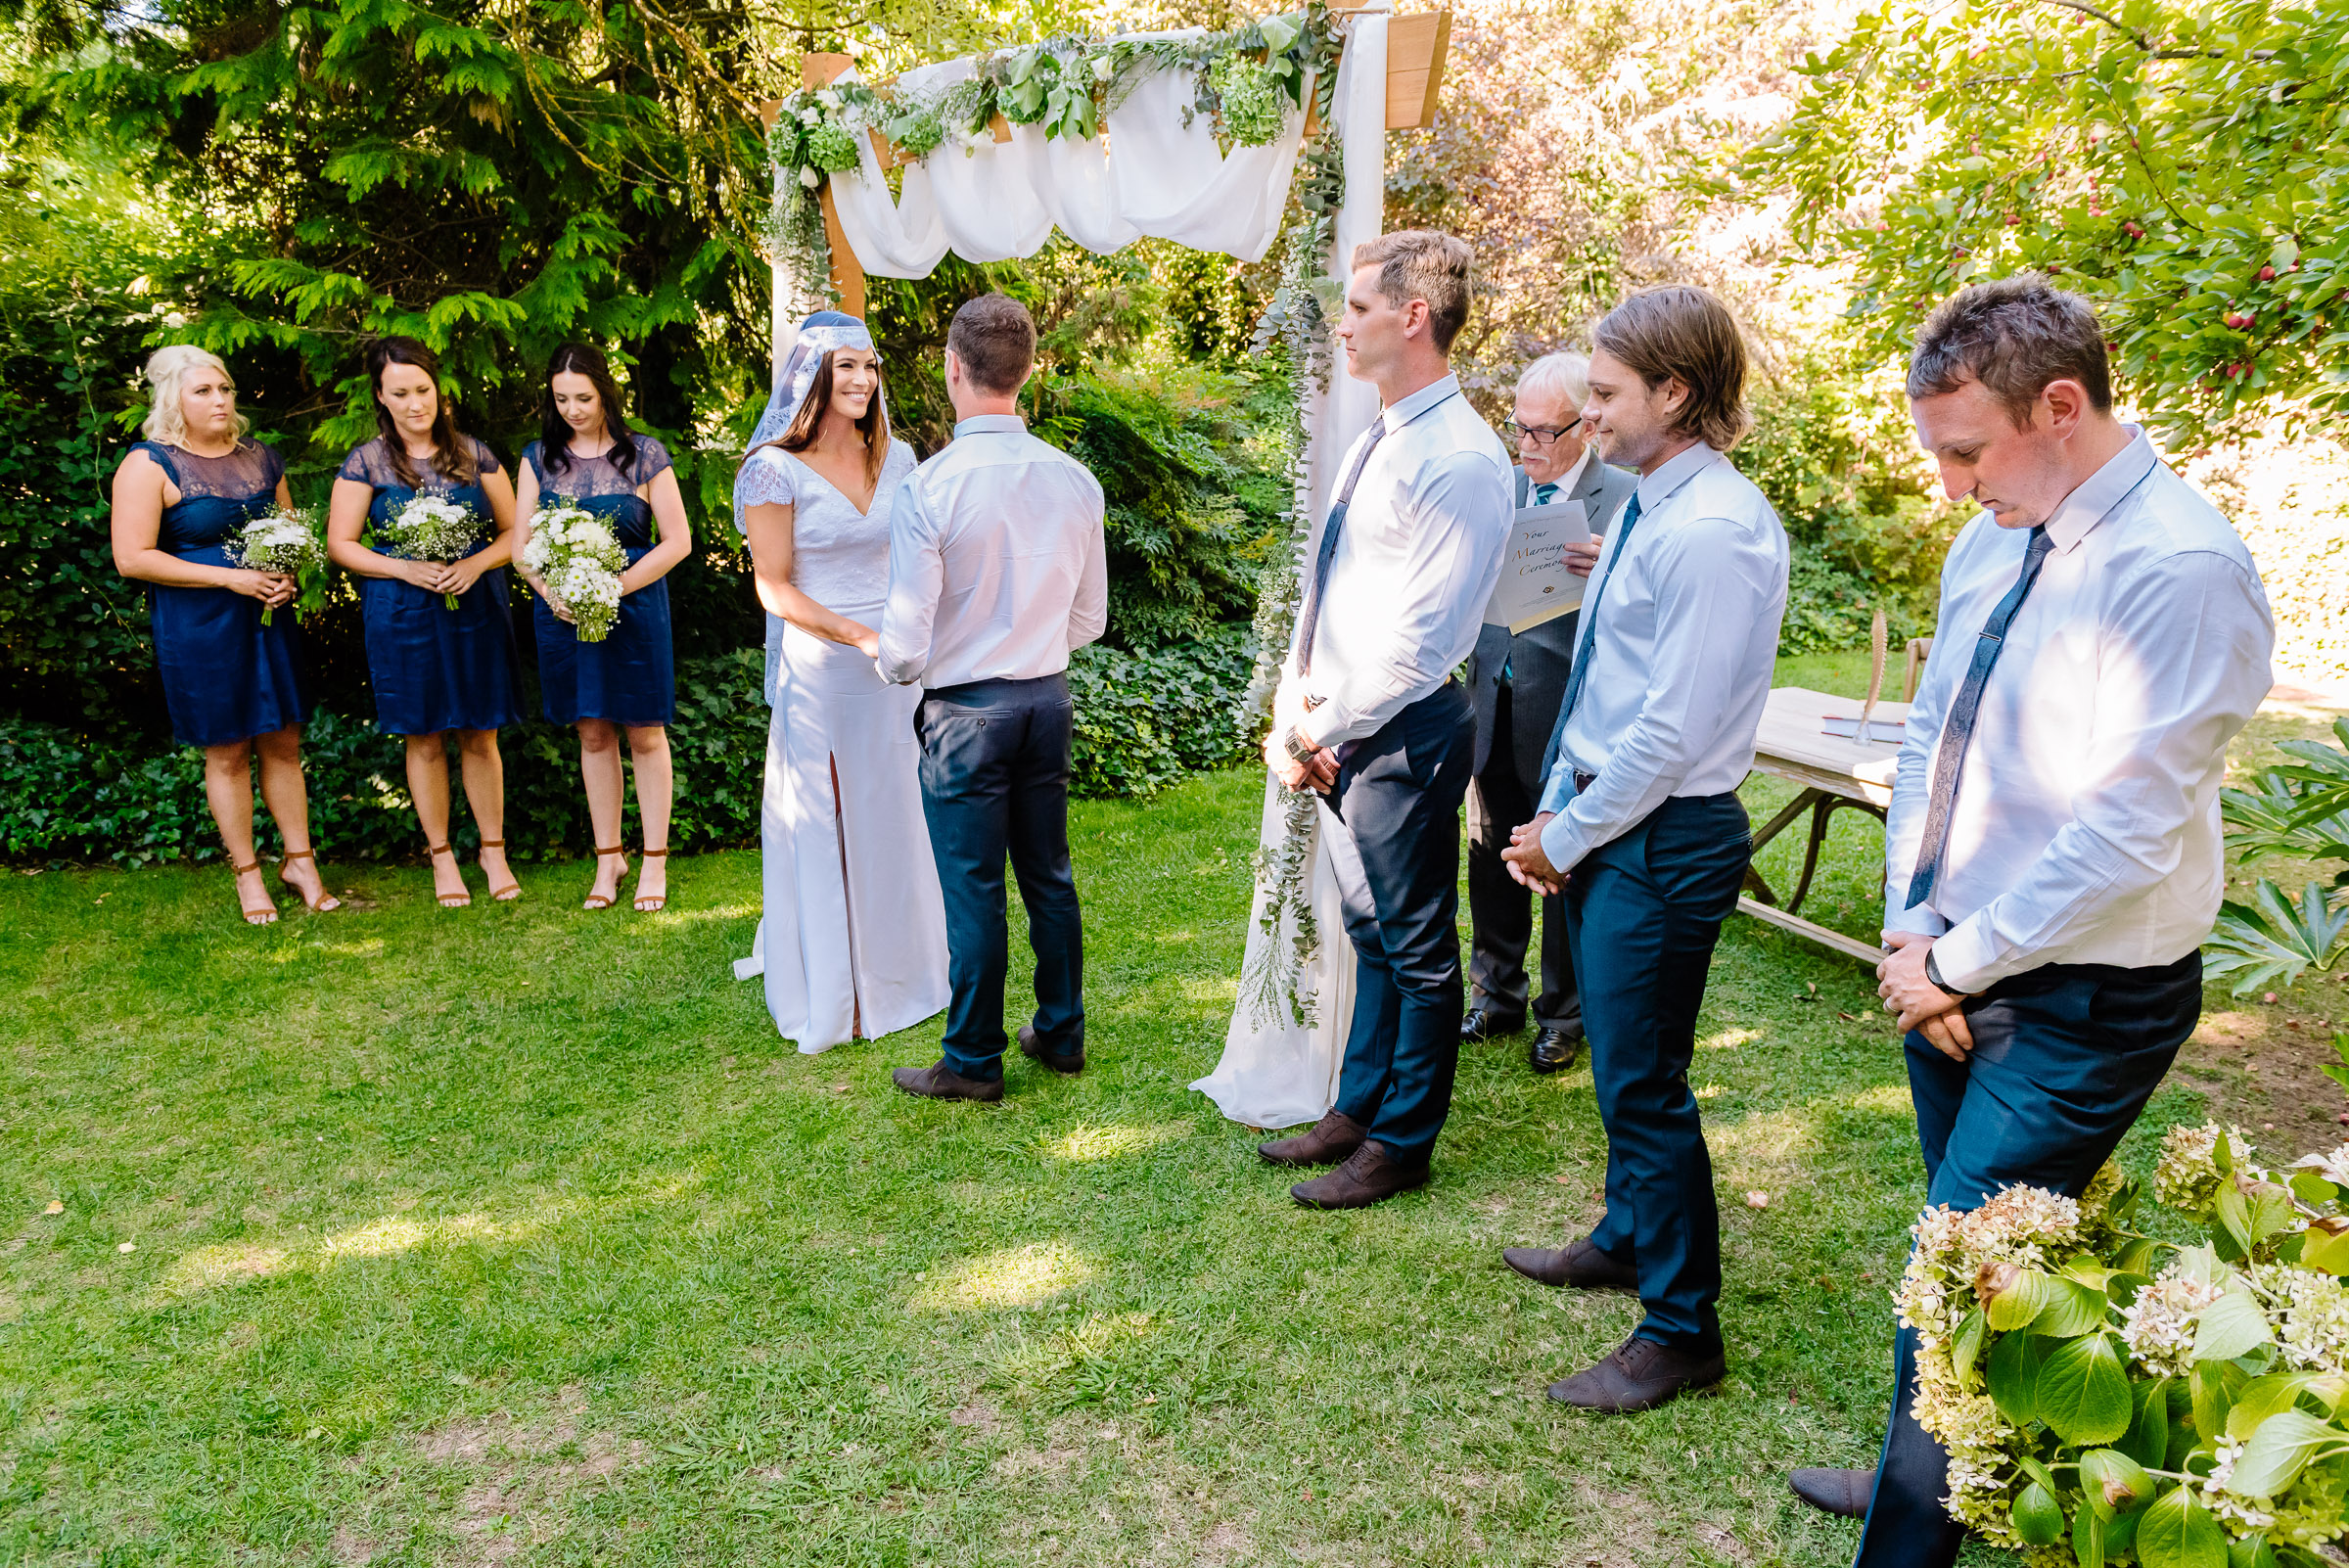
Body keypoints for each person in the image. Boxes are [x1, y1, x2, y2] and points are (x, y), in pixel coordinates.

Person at [1784, 277, 2275, 1561]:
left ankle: (1912, 1525)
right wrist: (1914, 928)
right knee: (1966, 1270)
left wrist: (1953, 961)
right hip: (1952, 958)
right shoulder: (1991, 536)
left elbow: (2124, 831)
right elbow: (1936, 741)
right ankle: (1943, 1474)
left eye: (1965, 450)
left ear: (2062, 404)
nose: (1947, 484)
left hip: (2081, 1001)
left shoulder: (2184, 571)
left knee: (1952, 1283)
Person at [1498, 285, 1788, 1411]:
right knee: (1628, 1073)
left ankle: (1680, 1329)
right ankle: (1626, 1235)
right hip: (1620, 819)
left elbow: (1666, 734)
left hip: (1662, 835)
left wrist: (1560, 834)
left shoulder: (1712, 533)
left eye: (1608, 395)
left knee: (1644, 1080)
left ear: (1675, 393)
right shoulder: (1649, 507)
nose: (1594, 413)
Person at [1253, 230, 1513, 1208]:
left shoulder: (1462, 461)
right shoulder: (1385, 430)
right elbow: (1332, 587)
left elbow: (1420, 642)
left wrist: (1324, 729)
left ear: (1412, 317)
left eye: (1358, 307)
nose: (1343, 322)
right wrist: (1295, 705)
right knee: (1368, 932)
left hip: (1401, 731)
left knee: (1415, 947)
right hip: (1343, 723)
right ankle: (1359, 1105)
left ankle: (1404, 1139)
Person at [873, 294, 1106, 1103]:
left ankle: (972, 1059)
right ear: (1030, 369)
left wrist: (903, 666)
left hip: (967, 712)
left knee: (972, 885)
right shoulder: (1076, 481)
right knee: (1048, 872)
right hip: (1047, 700)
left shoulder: (929, 488)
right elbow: (1091, 618)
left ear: (952, 367)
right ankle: (1061, 1031)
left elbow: (903, 648)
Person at [731, 309, 949, 1054]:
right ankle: (840, 991)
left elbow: (919, 559)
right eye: (845, 365)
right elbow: (774, 587)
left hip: (895, 673)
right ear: (812, 375)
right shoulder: (772, 468)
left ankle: (911, 975)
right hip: (822, 670)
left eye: (869, 366)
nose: (862, 380)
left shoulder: (901, 457)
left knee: (896, 814)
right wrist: (859, 635)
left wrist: (915, 632)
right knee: (827, 820)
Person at [109, 346, 341, 926]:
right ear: (173, 400)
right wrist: (230, 578)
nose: (219, 400)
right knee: (229, 749)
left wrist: (288, 575)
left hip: (266, 619)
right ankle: (247, 874)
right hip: (200, 628)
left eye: (225, 390)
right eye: (203, 391)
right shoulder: (149, 464)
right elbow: (132, 558)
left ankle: (301, 863)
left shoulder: (261, 458)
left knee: (285, 741)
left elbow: (290, 534)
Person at [1462, 351, 1637, 1073]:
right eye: (1519, 430)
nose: (1526, 446)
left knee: (1563, 856)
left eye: (1542, 432)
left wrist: (1614, 570)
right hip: (1488, 701)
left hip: (1570, 715)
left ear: (1584, 427)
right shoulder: (1497, 489)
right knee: (1489, 852)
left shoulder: (1626, 497)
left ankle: (1564, 1014)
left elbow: (1651, 610)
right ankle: (1496, 993)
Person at [327, 336, 525, 908]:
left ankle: (493, 850)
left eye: (423, 390)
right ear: (381, 398)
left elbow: (515, 533)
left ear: (438, 389)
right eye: (401, 394)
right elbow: (341, 544)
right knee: (425, 735)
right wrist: (403, 568)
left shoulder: (475, 454)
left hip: (475, 604)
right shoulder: (365, 462)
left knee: (480, 733)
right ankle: (441, 856)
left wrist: (475, 562)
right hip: (403, 611)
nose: (416, 404)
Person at [513, 343, 691, 912]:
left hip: (634, 611)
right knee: (592, 733)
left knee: (644, 732)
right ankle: (608, 856)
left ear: (605, 392)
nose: (572, 408)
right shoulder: (539, 458)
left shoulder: (644, 455)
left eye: (583, 397)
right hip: (563, 614)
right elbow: (520, 549)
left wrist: (613, 587)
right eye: (561, 398)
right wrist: (554, 592)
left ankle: (654, 862)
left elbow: (678, 542)